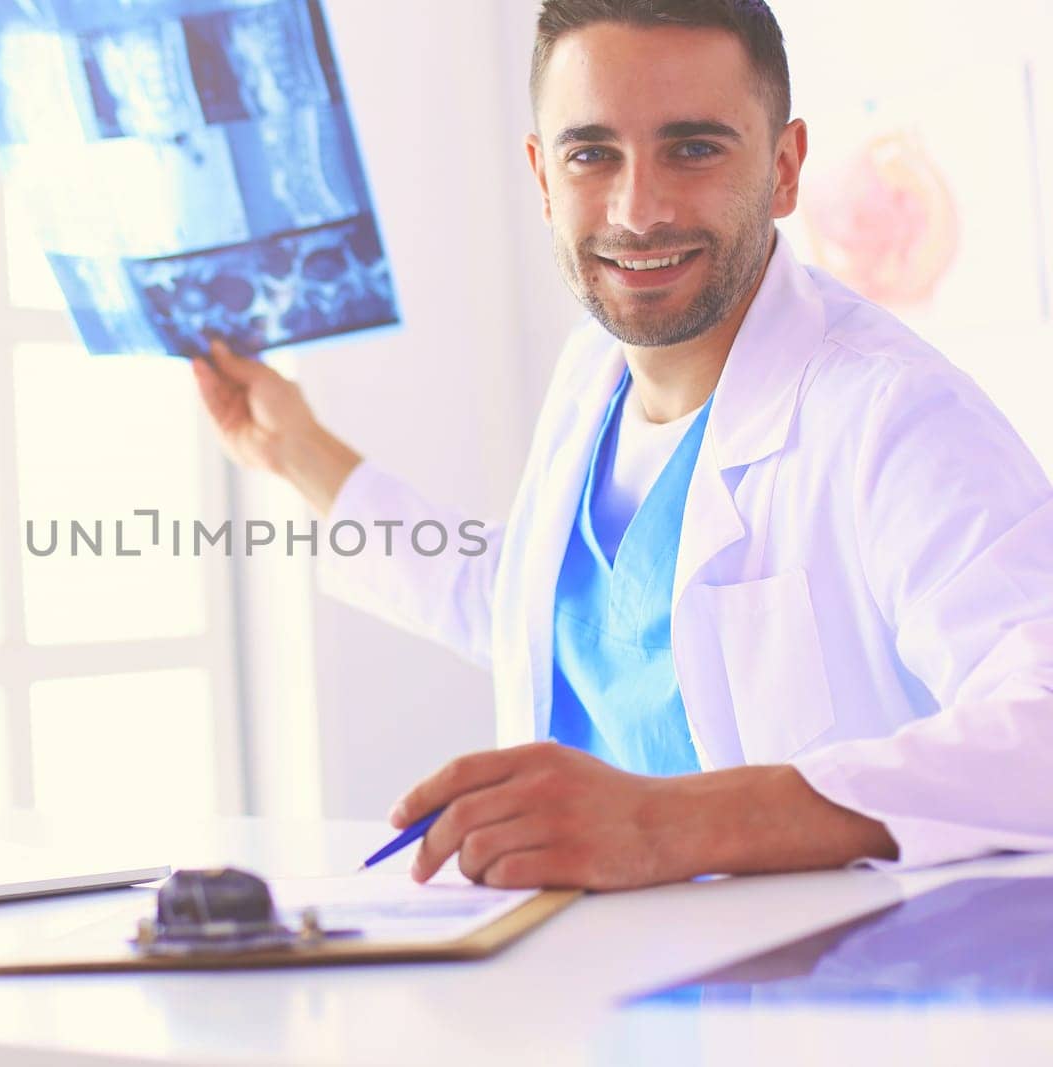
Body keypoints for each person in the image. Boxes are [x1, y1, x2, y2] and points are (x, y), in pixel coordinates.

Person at [191, 0, 1053, 890]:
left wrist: (669, 824)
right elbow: (543, 608)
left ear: (786, 167)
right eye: (592, 153)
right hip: (587, 997)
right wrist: (293, 448)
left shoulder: (894, 417)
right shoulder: (590, 374)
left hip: (824, 1001)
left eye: (694, 148)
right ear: (542, 175)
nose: (638, 212)